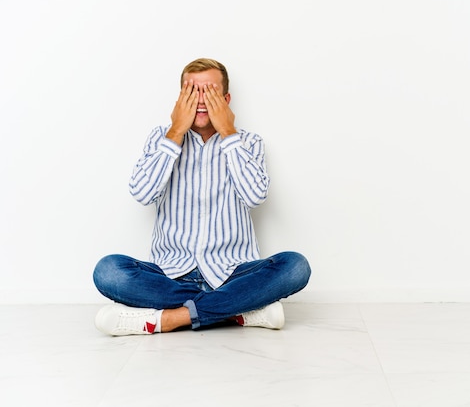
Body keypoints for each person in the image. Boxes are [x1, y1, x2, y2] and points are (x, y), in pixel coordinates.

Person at [92, 58, 311, 336]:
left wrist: (228, 134)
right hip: (170, 274)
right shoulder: (161, 138)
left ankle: (168, 320)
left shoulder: (249, 142)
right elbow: (142, 193)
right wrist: (175, 133)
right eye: (192, 92)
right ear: (180, 98)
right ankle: (237, 312)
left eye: (210, 92)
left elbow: (255, 197)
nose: (201, 100)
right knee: (108, 271)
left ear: (226, 99)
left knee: (295, 266)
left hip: (233, 274)